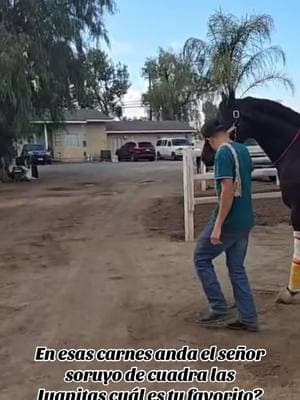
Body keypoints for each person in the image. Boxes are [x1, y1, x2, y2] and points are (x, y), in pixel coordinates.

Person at [194, 120, 258, 332]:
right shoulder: (242, 149)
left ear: (210, 139)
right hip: (246, 218)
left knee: (201, 258)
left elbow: (228, 190)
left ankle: (219, 307)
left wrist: (218, 225)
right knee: (237, 268)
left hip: (230, 220)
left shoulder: (222, 153)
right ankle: (248, 318)